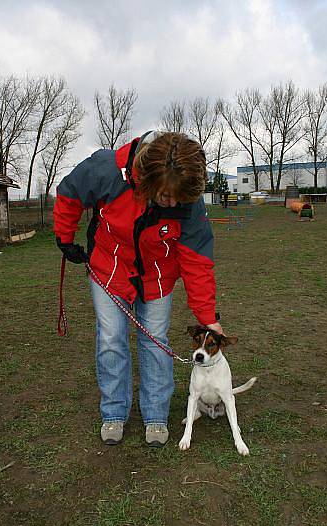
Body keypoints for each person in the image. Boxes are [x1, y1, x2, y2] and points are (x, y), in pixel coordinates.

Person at [53, 131, 223, 447]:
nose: (174, 204)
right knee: (110, 339)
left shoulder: (188, 199)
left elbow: (197, 260)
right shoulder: (106, 169)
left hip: (157, 278)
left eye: (180, 199)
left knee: (155, 342)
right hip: (109, 267)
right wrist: (64, 238)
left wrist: (206, 316)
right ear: (146, 178)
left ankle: (156, 417)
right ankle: (114, 413)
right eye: (166, 197)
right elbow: (69, 193)